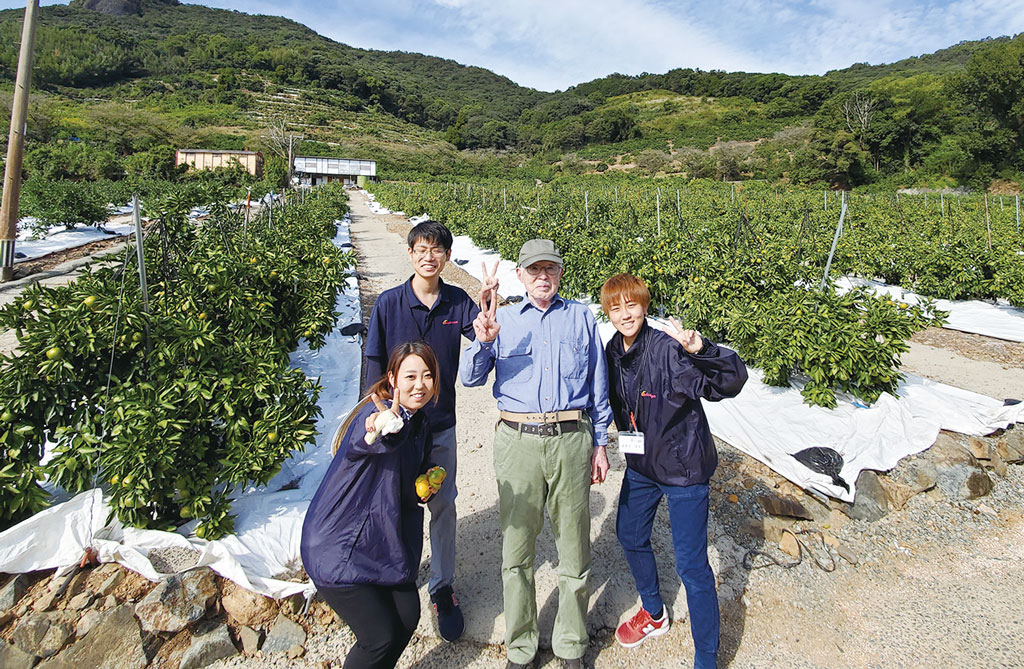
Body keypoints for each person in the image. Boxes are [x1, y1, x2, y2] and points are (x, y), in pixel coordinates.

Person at [460, 238, 612, 669]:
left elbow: (598, 387)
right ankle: (521, 646)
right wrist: (482, 341)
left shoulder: (581, 318)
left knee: (574, 549)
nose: (542, 277)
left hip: (570, 438)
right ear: (521, 276)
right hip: (517, 441)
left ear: (560, 273)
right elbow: (470, 380)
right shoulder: (500, 319)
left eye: (550, 269)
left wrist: (600, 442)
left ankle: (570, 644)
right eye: (533, 270)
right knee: (517, 550)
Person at [599, 273, 747, 669]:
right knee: (629, 533)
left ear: (645, 306)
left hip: (683, 468)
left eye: (632, 305)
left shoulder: (669, 350)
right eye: (616, 308)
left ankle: (707, 659)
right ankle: (654, 612)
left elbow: (730, 382)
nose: (625, 314)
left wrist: (702, 349)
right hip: (643, 465)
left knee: (691, 565)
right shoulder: (612, 352)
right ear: (607, 313)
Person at [364, 219, 494, 641]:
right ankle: (394, 576)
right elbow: (372, 365)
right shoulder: (387, 304)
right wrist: (376, 415)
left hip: (440, 426)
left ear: (447, 257)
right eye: (420, 248)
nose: (428, 256)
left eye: (436, 249)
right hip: (397, 430)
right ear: (410, 253)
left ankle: (441, 586)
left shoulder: (458, 302)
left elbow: (485, 334)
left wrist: (490, 319)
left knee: (442, 504)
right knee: (395, 505)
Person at [301, 341, 442, 669]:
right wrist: (380, 429)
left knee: (407, 617)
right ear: (392, 378)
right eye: (410, 376)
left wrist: (423, 487)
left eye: (427, 376)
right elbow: (374, 439)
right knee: (378, 637)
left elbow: (405, 478)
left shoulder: (421, 423)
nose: (419, 385)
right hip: (340, 545)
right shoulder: (376, 411)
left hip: (380, 541)